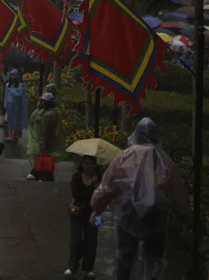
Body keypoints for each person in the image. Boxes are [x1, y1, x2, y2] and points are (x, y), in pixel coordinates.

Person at [91, 118, 188, 280]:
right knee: (153, 259)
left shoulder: (123, 157)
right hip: (156, 215)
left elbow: (106, 187)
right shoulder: (165, 161)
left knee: (124, 256)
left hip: (126, 214)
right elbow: (177, 192)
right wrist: (183, 217)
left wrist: (97, 208)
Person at [66, 155, 101, 278]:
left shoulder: (99, 179)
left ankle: (88, 268)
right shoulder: (76, 177)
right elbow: (77, 194)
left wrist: (97, 184)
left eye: (91, 163)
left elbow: (102, 196)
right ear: (82, 164)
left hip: (94, 213)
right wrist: (93, 191)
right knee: (75, 240)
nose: (89, 166)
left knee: (91, 240)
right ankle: (72, 266)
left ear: (95, 165)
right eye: (86, 163)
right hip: (77, 212)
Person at [27, 91, 65, 181]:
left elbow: (48, 129)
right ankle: (38, 173)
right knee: (46, 156)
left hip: (48, 140)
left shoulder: (49, 115)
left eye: (43, 101)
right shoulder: (54, 112)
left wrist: (44, 142)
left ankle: (43, 174)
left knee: (46, 157)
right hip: (52, 140)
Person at [3, 69, 29, 143]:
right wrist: (5, 105)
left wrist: (11, 91)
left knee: (16, 121)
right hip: (10, 106)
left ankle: (14, 135)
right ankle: (11, 135)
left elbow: (19, 95)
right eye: (11, 75)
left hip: (17, 106)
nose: (12, 76)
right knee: (10, 121)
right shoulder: (8, 85)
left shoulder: (20, 86)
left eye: (14, 75)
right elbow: (6, 97)